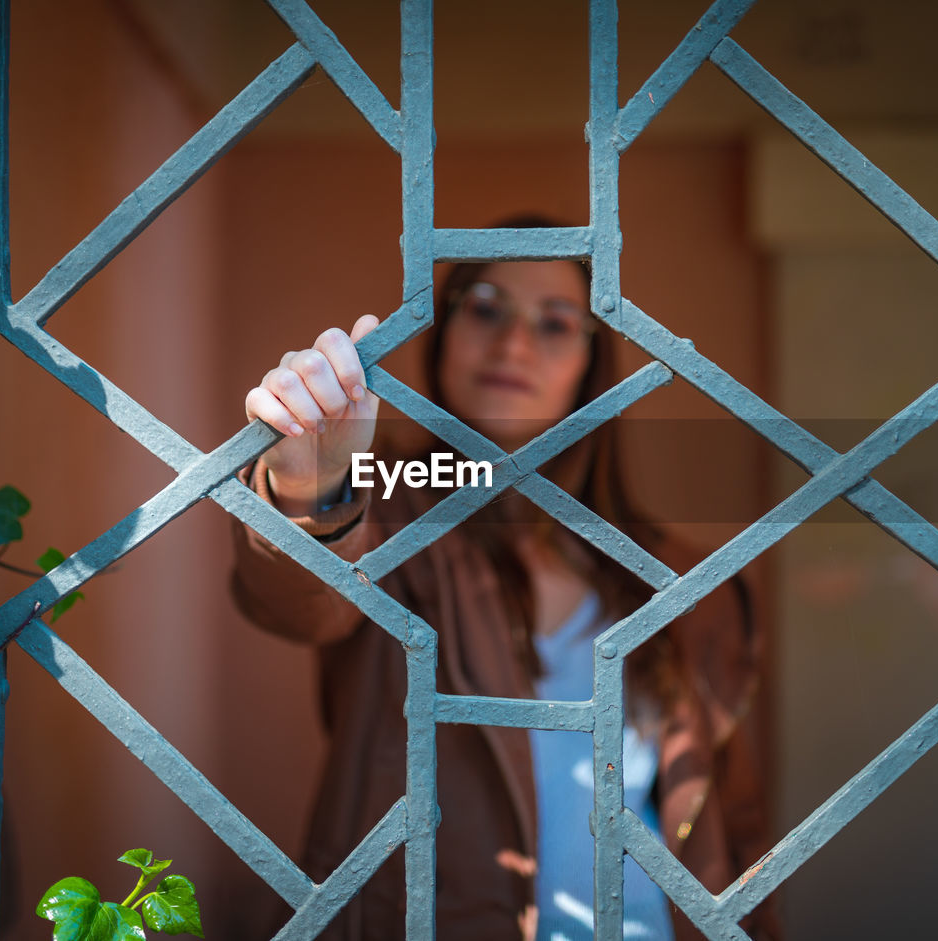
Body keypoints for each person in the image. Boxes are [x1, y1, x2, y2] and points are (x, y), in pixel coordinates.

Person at [231, 220, 776, 940]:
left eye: (555, 323)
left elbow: (732, 830)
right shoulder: (387, 505)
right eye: (485, 306)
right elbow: (297, 601)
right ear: (442, 329)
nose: (514, 344)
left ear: (592, 358)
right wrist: (312, 483)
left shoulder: (678, 581)